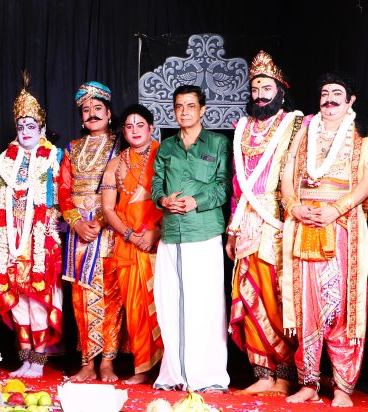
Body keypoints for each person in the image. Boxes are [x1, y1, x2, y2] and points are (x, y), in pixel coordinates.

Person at [282, 72, 368, 408]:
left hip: (343, 226)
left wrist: (337, 209)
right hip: (305, 225)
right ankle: (308, 383)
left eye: (337, 93)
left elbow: (364, 184)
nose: (329, 99)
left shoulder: (361, 143)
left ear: (351, 102)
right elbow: (287, 179)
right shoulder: (302, 138)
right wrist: (294, 207)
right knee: (307, 306)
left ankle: (344, 387)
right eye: (324, 93)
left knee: (342, 306)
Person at [226, 51, 303, 396]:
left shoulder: (297, 124)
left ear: (281, 91)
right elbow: (236, 184)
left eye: (266, 87)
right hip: (246, 222)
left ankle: (286, 374)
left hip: (278, 220)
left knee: (277, 296)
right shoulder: (241, 127)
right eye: (255, 87)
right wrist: (233, 225)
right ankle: (263, 375)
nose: (259, 93)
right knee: (248, 294)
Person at [150, 84, 232, 392]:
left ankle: (209, 377)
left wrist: (197, 200)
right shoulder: (167, 146)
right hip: (171, 233)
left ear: (202, 110)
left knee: (207, 304)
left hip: (204, 231)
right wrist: (163, 201)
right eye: (179, 107)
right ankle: (174, 375)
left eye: (190, 106)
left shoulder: (218, 143)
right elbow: (157, 184)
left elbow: (225, 186)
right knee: (170, 303)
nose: (184, 112)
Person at [0, 74, 62, 379]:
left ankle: (40, 360)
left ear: (42, 129)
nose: (25, 132)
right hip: (11, 240)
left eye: (31, 127)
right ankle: (25, 359)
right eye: (21, 127)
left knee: (38, 301)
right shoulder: (5, 159)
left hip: (41, 242)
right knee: (18, 304)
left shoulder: (54, 157)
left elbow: (60, 196)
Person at [59, 81, 121, 382]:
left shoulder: (120, 145)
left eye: (98, 108)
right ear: (81, 117)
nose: (92, 114)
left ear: (109, 113)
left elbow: (126, 187)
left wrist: (103, 219)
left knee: (110, 295)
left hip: (108, 229)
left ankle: (108, 361)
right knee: (80, 297)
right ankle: (87, 361)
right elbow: (63, 190)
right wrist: (76, 223)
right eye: (86, 110)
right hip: (78, 231)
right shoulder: (72, 149)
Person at [101, 103, 163, 385]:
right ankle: (142, 369)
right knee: (136, 308)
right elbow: (108, 209)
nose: (135, 130)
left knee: (163, 306)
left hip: (161, 243)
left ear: (151, 128)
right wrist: (129, 234)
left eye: (141, 125)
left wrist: (156, 232)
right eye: (129, 126)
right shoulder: (115, 164)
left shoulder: (166, 154)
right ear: (123, 132)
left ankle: (169, 369)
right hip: (127, 245)